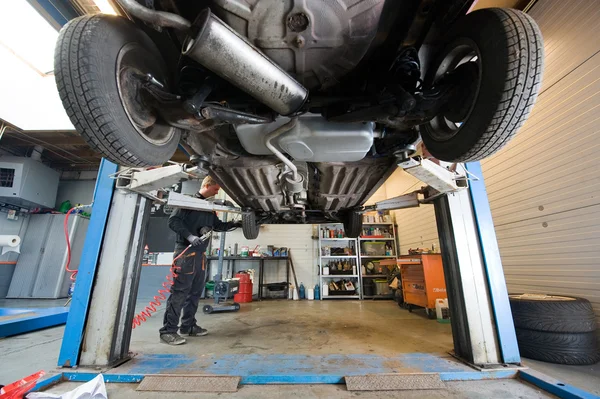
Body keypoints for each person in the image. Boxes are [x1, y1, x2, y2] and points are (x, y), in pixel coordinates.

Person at [159, 176, 240, 345]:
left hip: (200, 255)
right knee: (180, 292)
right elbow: (173, 221)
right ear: (207, 185)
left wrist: (237, 223)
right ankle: (168, 331)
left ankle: (188, 326)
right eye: (216, 188)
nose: (217, 192)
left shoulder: (209, 209)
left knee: (195, 292)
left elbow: (218, 225)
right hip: (186, 254)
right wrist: (189, 236)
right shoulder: (189, 202)